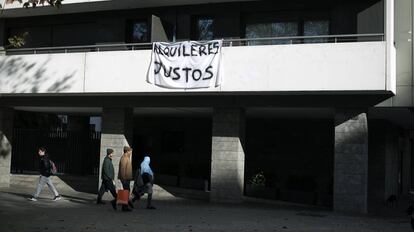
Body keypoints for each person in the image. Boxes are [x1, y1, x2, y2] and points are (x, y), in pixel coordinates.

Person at [118, 146, 134, 211]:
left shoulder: (127, 157)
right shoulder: (124, 158)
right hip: (125, 179)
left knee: (126, 191)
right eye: (130, 151)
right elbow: (122, 169)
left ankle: (125, 206)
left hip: (126, 178)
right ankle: (124, 207)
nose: (131, 153)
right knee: (126, 192)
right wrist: (123, 178)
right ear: (127, 151)